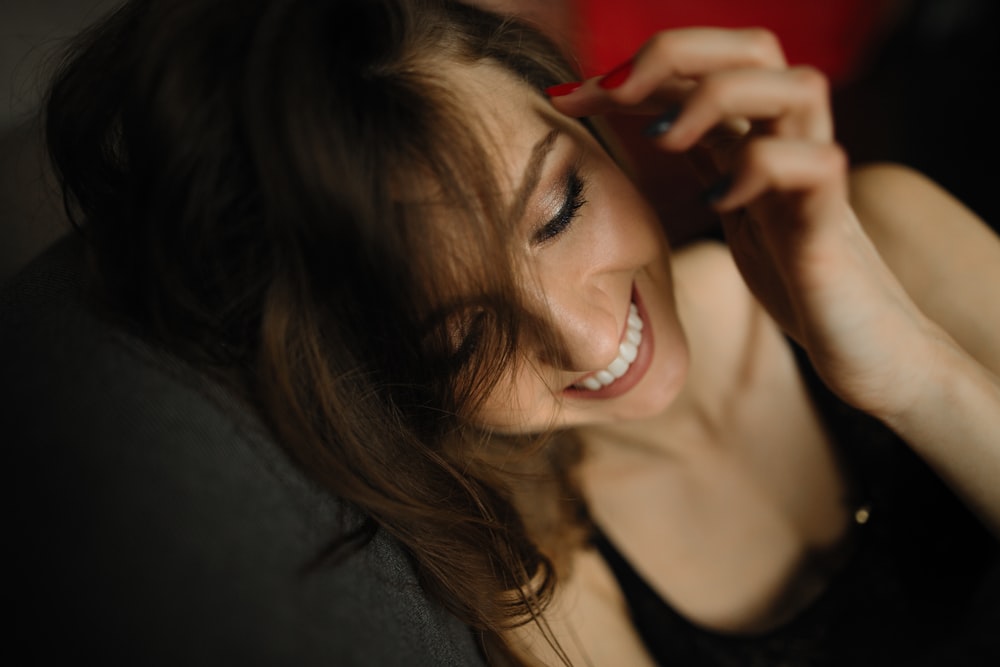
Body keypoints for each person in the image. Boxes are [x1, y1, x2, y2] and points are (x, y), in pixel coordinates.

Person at [5, 0, 999, 664]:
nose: (578, 333)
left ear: (587, 108)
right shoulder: (537, 586)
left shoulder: (891, 234)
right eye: (456, 329)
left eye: (559, 206)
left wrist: (915, 376)